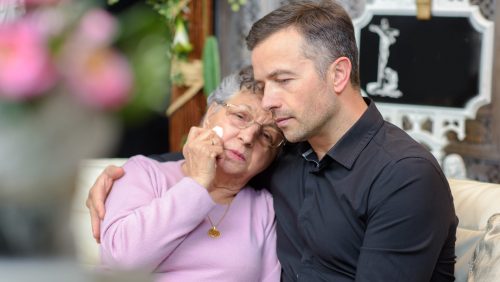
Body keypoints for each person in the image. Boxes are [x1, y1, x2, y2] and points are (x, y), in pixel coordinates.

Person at [88, 1, 458, 281]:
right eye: (265, 86)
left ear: (339, 74)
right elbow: (221, 160)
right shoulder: (291, 154)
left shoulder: (403, 177)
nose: (268, 102)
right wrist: (120, 174)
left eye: (283, 80)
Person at [98, 66, 282, 281]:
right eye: (240, 116)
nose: (249, 137)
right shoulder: (143, 172)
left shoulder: (264, 208)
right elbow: (122, 262)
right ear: (211, 114)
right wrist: (197, 183)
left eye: (267, 136)